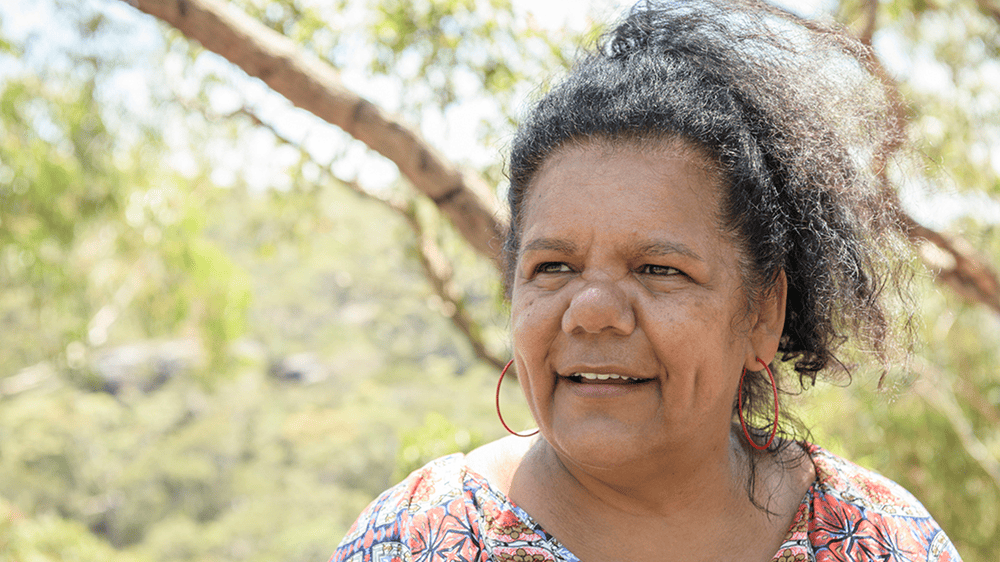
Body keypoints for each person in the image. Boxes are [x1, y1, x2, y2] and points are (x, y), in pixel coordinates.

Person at [332, 0, 963, 560]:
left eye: (658, 269)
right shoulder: (418, 538)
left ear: (763, 314)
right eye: (553, 267)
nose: (591, 311)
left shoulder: (880, 538)